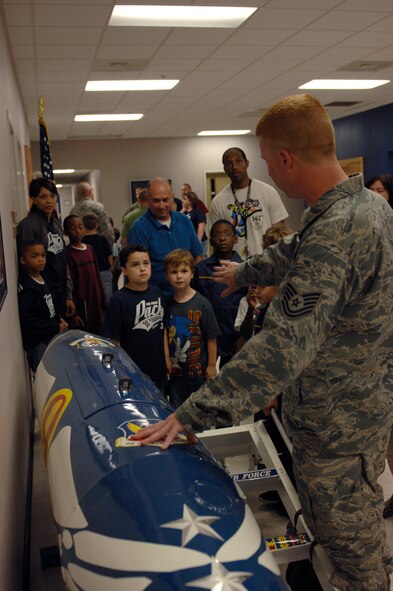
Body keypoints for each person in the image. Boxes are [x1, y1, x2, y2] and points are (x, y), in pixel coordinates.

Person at [132, 94, 393, 591]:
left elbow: (280, 350)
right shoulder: (365, 206)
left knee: (352, 559)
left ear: (286, 159)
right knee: (361, 535)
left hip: (337, 427)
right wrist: (247, 271)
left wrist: (191, 413)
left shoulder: (338, 227)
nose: (269, 169)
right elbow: (300, 249)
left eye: (269, 160)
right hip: (360, 411)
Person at [101, 245, 170, 393]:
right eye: (135, 265)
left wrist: (167, 360)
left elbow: (162, 329)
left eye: (146, 263)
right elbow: (113, 342)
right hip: (131, 373)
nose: (142, 268)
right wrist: (119, 373)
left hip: (158, 370)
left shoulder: (158, 293)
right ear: (124, 269)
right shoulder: (119, 300)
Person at [208, 147, 288, 258]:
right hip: (233, 265)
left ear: (246, 163)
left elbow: (280, 231)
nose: (234, 167)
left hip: (266, 261)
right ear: (225, 169)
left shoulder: (267, 191)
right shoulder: (218, 201)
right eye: (229, 164)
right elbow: (215, 239)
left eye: (238, 161)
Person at [128, 177, 203, 296]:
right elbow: (137, 271)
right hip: (155, 300)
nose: (161, 205)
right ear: (148, 199)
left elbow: (197, 257)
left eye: (165, 200)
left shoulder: (184, 221)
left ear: (172, 197)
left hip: (186, 297)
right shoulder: (139, 229)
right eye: (156, 201)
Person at [165, 249, 220, 408]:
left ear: (192, 273)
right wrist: (167, 359)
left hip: (199, 375)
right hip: (176, 377)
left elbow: (211, 337)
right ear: (167, 276)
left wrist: (211, 365)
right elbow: (165, 332)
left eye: (184, 271)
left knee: (199, 415)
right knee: (178, 414)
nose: (179, 276)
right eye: (174, 272)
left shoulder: (202, 304)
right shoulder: (167, 303)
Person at [17, 177, 74, 318]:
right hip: (43, 293)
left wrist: (68, 294)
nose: (49, 201)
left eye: (52, 196)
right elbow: (27, 264)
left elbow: (63, 260)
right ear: (33, 199)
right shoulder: (28, 226)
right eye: (43, 197)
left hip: (61, 290)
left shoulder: (56, 224)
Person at [193, 219, 246, 366]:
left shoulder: (244, 269)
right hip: (207, 334)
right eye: (217, 235)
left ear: (235, 239)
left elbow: (250, 304)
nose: (222, 238)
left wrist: (243, 336)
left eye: (228, 234)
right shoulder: (201, 269)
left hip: (234, 334)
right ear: (210, 241)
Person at [17, 240, 68, 372]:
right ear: (23, 260)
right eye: (34, 256)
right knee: (45, 377)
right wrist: (55, 326)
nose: (40, 260)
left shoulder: (43, 276)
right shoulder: (27, 288)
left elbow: (52, 301)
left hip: (50, 335)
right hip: (38, 344)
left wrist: (59, 319)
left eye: (43, 255)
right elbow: (28, 321)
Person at [64, 215, 107, 334]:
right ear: (65, 232)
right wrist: (75, 314)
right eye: (72, 228)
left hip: (96, 298)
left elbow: (97, 276)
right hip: (82, 302)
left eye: (80, 227)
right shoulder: (68, 253)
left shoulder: (90, 249)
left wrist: (103, 300)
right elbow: (70, 282)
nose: (77, 231)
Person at [70, 182, 115, 247]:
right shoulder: (98, 207)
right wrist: (110, 248)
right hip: (98, 245)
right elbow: (106, 230)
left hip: (81, 246)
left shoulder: (73, 210)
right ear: (90, 191)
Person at [82, 213, 113, 301]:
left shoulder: (82, 241)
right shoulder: (102, 239)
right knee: (107, 298)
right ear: (97, 225)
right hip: (104, 271)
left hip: (89, 273)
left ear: (83, 225)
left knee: (93, 298)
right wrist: (109, 266)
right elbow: (109, 255)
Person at [180, 190, 208, 257]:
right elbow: (176, 219)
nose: (182, 200)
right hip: (189, 242)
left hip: (199, 242)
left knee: (199, 262)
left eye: (184, 199)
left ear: (190, 201)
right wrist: (183, 210)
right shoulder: (185, 212)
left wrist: (197, 242)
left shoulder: (198, 212)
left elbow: (201, 227)